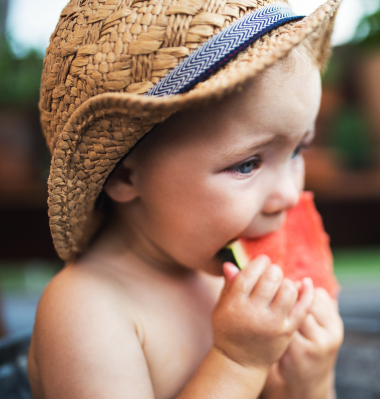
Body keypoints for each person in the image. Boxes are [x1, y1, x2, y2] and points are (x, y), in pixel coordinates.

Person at [28, 1, 344, 398]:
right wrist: (238, 361)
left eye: (299, 150)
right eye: (247, 164)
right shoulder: (86, 311)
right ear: (125, 173)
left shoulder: (230, 287)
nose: (289, 194)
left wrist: (309, 384)